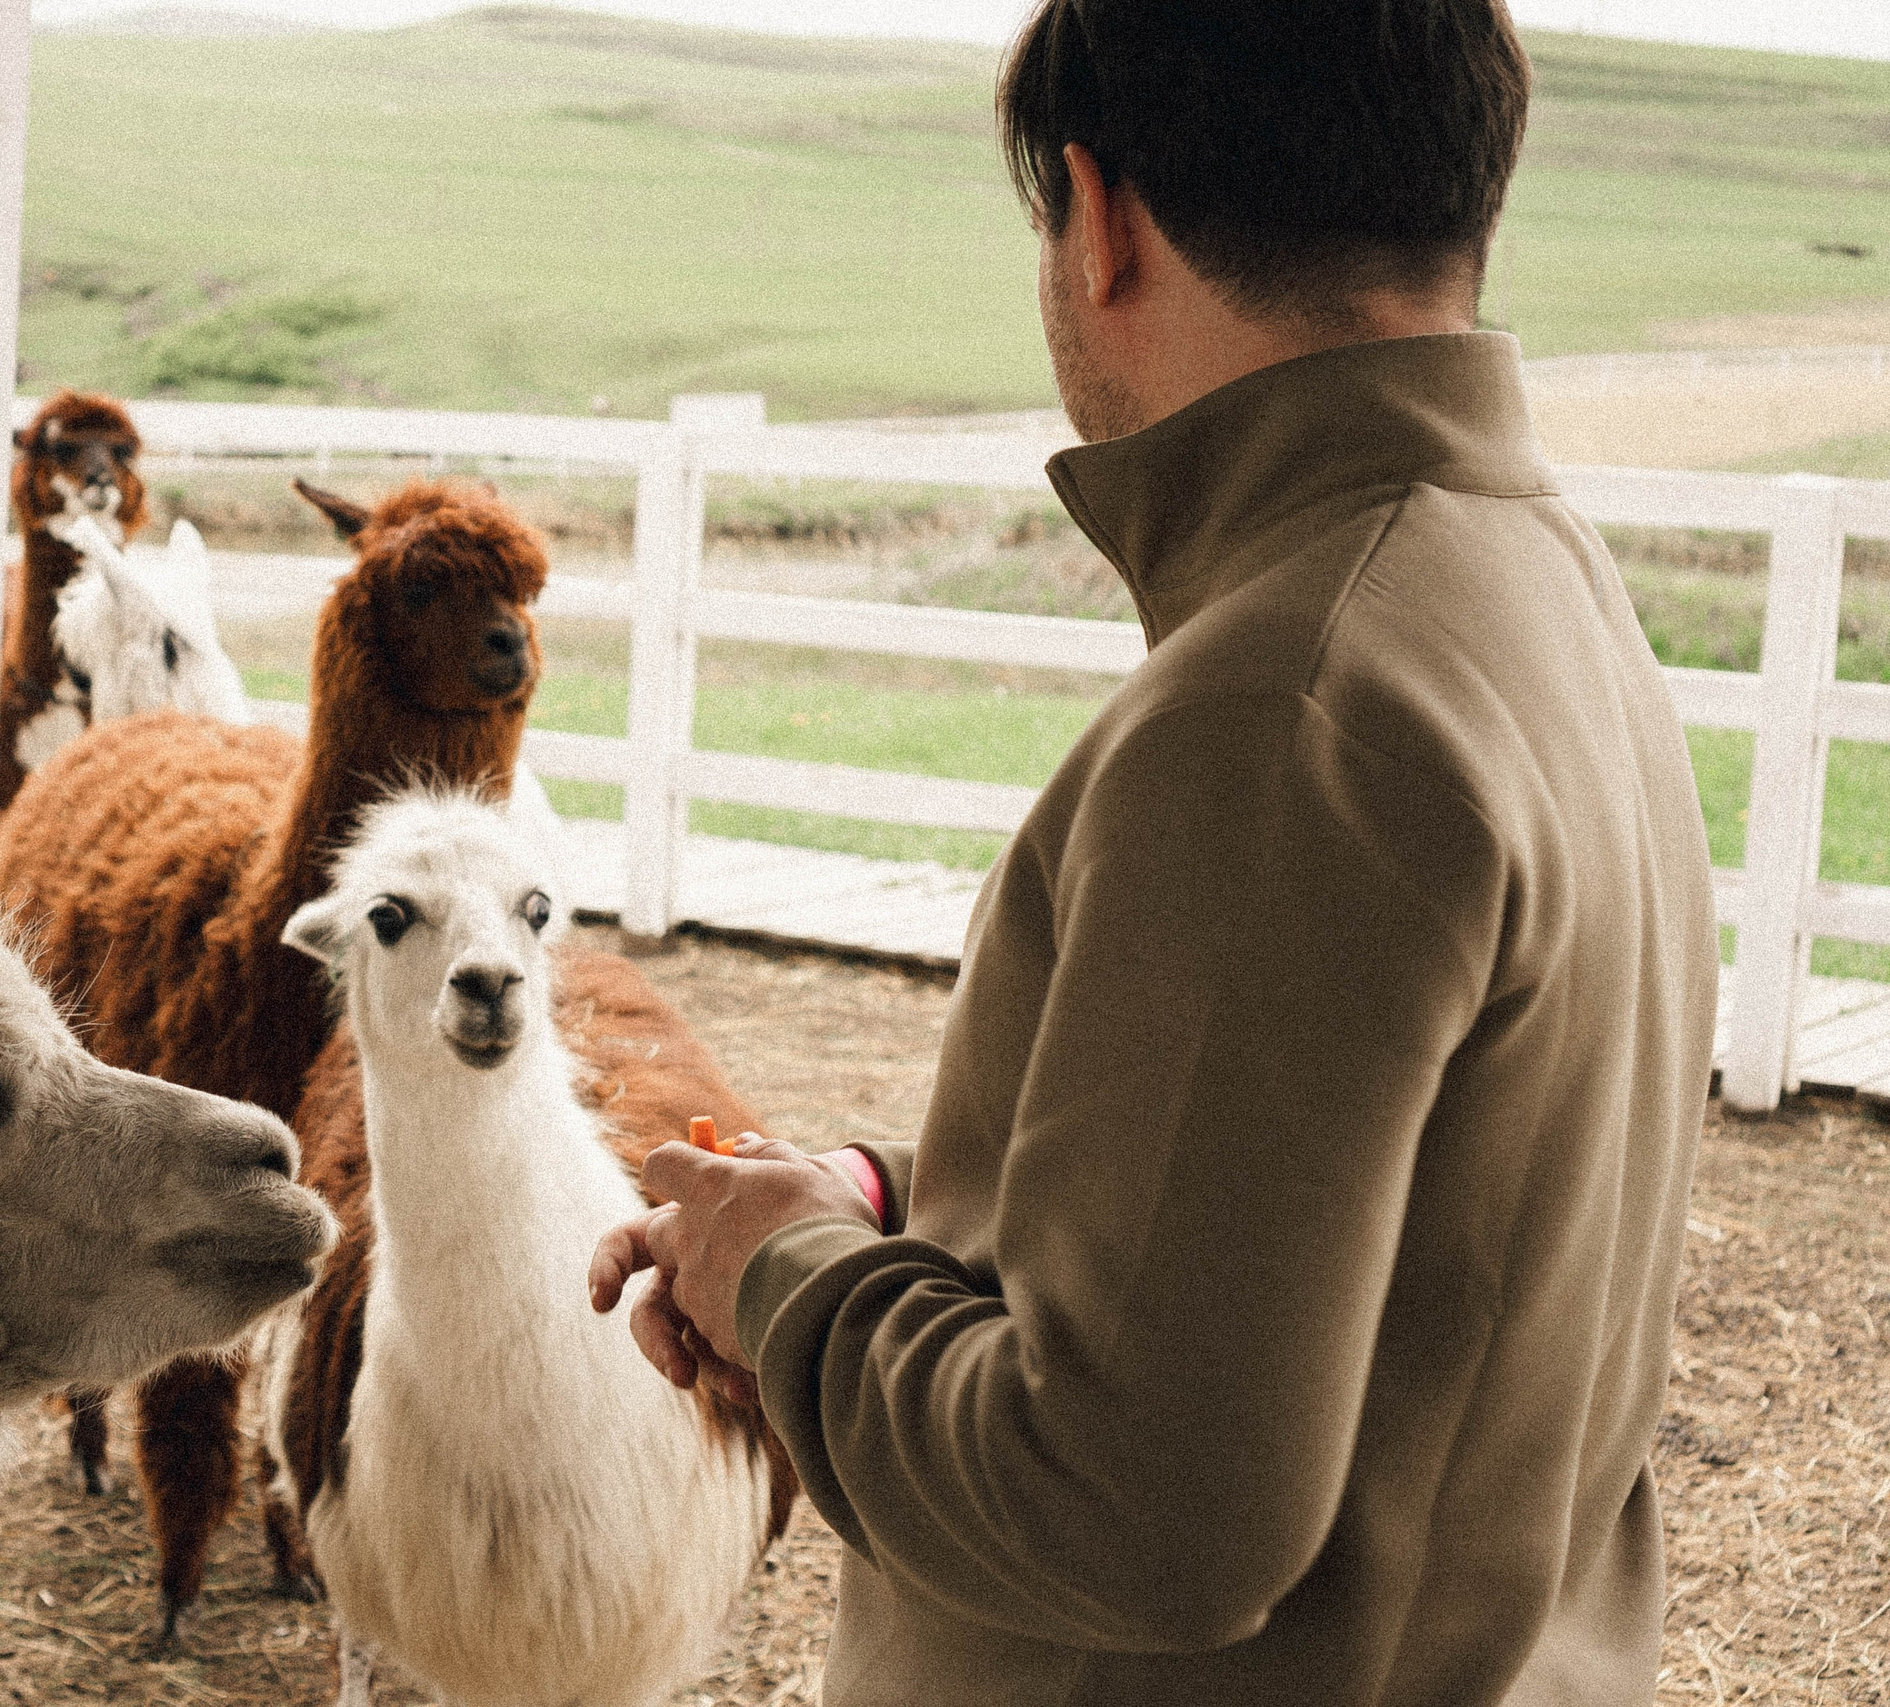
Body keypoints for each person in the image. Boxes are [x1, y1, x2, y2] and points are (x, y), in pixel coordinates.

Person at [587, 2, 1721, 1702]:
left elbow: (1137, 1506)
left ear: (1100, 218)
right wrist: (895, 1214)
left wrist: (782, 1280)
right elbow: (1373, 1241)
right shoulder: (1536, 590)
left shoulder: (1291, 700)